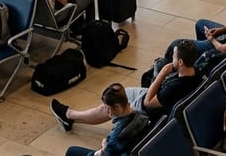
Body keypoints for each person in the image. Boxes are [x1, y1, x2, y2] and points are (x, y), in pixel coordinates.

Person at [50, 40, 200, 130]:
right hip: (156, 97)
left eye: (174, 56)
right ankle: (73, 116)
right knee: (125, 91)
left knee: (111, 103)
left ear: (180, 62)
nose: (171, 59)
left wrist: (162, 74)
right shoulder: (196, 73)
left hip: (146, 109)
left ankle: (70, 116)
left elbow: (148, 102)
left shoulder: (174, 88)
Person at [62, 83, 151, 156]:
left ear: (117, 106)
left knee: (71, 151)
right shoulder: (143, 116)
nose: (106, 111)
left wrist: (105, 146)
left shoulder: (116, 136)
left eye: (107, 108)